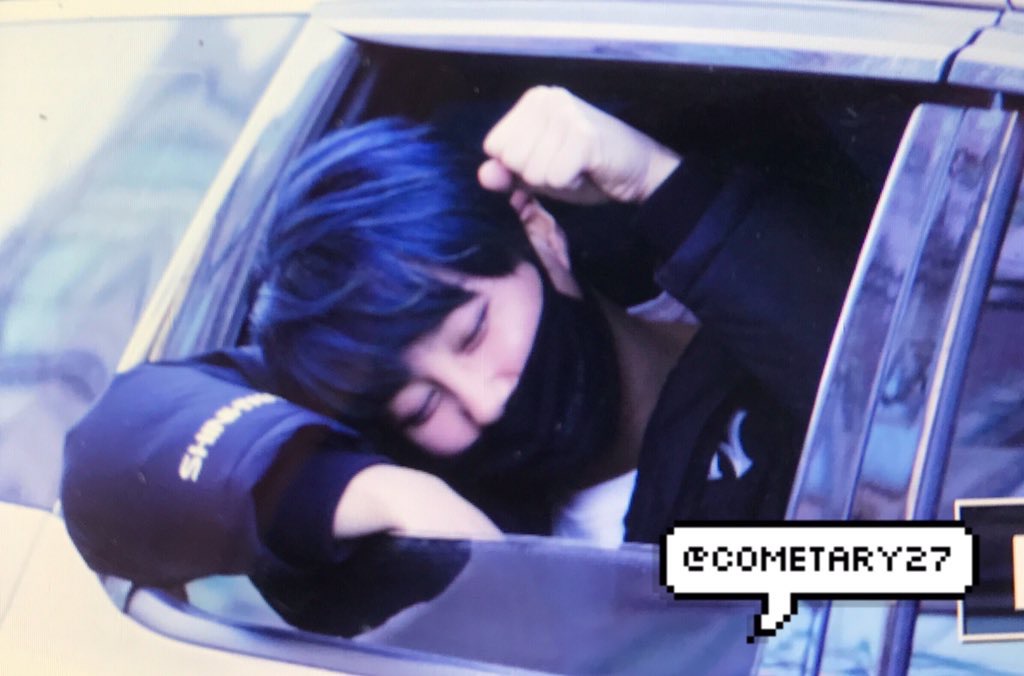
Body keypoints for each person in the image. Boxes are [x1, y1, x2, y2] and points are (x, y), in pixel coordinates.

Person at [61, 86, 870, 632]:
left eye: (473, 332)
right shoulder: (451, 499)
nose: (481, 402)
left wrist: (658, 183)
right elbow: (113, 450)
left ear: (540, 235)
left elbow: (901, 414)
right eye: (420, 406)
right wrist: (381, 492)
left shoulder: (768, 295)